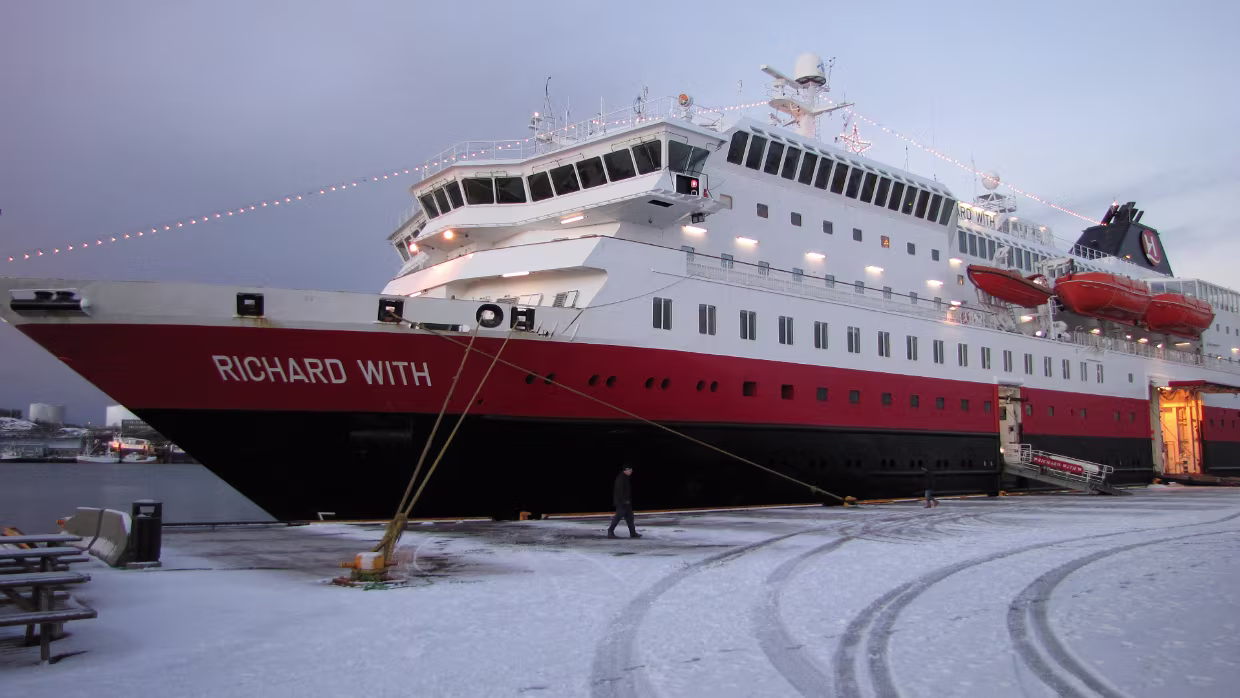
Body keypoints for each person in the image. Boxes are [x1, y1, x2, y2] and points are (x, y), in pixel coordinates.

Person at [607, 465, 641, 538]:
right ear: (626, 470)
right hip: (622, 503)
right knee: (618, 517)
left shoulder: (625, 478)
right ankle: (610, 531)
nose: (631, 472)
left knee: (630, 518)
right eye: (630, 470)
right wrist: (624, 500)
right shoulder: (621, 478)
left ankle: (633, 533)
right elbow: (619, 491)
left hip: (626, 502)